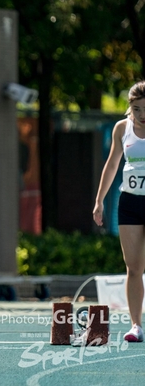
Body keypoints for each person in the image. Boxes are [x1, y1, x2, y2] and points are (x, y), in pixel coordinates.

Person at [94, 80, 145, 342]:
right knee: (134, 267)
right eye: (137, 109)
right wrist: (100, 200)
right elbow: (112, 164)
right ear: (130, 107)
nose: (142, 115)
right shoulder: (121, 129)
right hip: (130, 203)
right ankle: (136, 325)